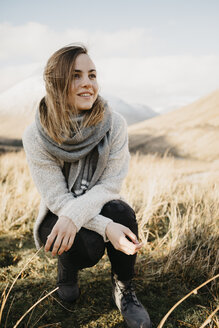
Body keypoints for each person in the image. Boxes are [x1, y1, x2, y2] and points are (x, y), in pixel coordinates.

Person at [22, 44, 152, 328]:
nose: (87, 84)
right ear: (57, 83)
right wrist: (105, 228)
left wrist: (107, 222)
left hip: (100, 202)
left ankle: (124, 290)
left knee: (123, 214)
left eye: (92, 75)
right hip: (58, 211)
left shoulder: (114, 123)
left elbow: (110, 184)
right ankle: (67, 271)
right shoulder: (36, 134)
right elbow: (56, 196)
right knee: (81, 244)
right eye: (76, 76)